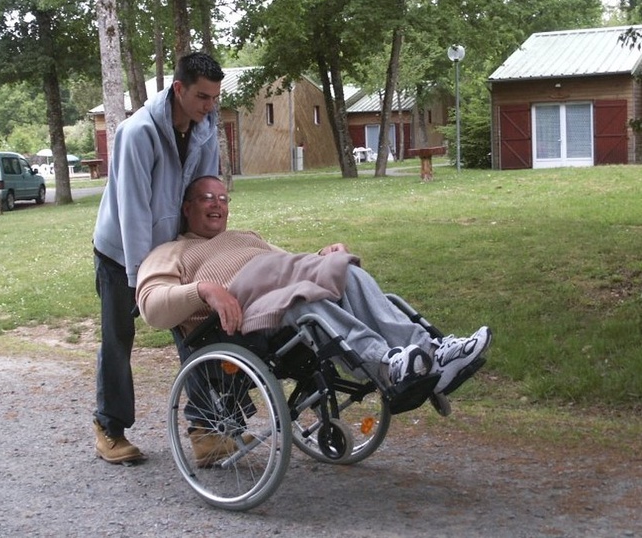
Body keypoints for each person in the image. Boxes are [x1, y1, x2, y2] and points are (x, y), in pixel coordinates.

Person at [136, 176, 492, 463]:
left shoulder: (246, 238)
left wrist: (323, 257)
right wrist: (204, 290)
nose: (217, 204)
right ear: (186, 208)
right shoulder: (172, 252)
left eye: (223, 198)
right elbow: (152, 306)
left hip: (278, 293)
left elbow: (290, 263)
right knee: (301, 299)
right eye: (206, 198)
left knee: (344, 269)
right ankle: (385, 365)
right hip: (244, 320)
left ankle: (432, 353)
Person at [91, 53, 225, 464]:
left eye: (215, 98)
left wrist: (203, 249)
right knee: (118, 340)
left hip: (172, 250)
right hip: (121, 254)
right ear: (178, 89)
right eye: (202, 96)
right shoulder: (137, 133)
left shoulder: (205, 127)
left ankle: (204, 430)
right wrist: (138, 280)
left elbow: (203, 189)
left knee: (195, 331)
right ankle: (109, 429)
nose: (209, 106)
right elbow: (132, 210)